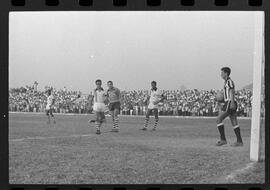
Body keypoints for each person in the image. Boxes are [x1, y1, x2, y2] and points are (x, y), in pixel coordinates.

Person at [216, 67, 243, 147]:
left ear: (226, 73)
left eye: (222, 73)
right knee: (234, 122)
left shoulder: (229, 81)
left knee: (218, 119)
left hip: (229, 103)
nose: (221, 74)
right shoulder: (226, 82)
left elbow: (232, 91)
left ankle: (223, 140)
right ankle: (239, 141)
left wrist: (231, 102)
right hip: (228, 102)